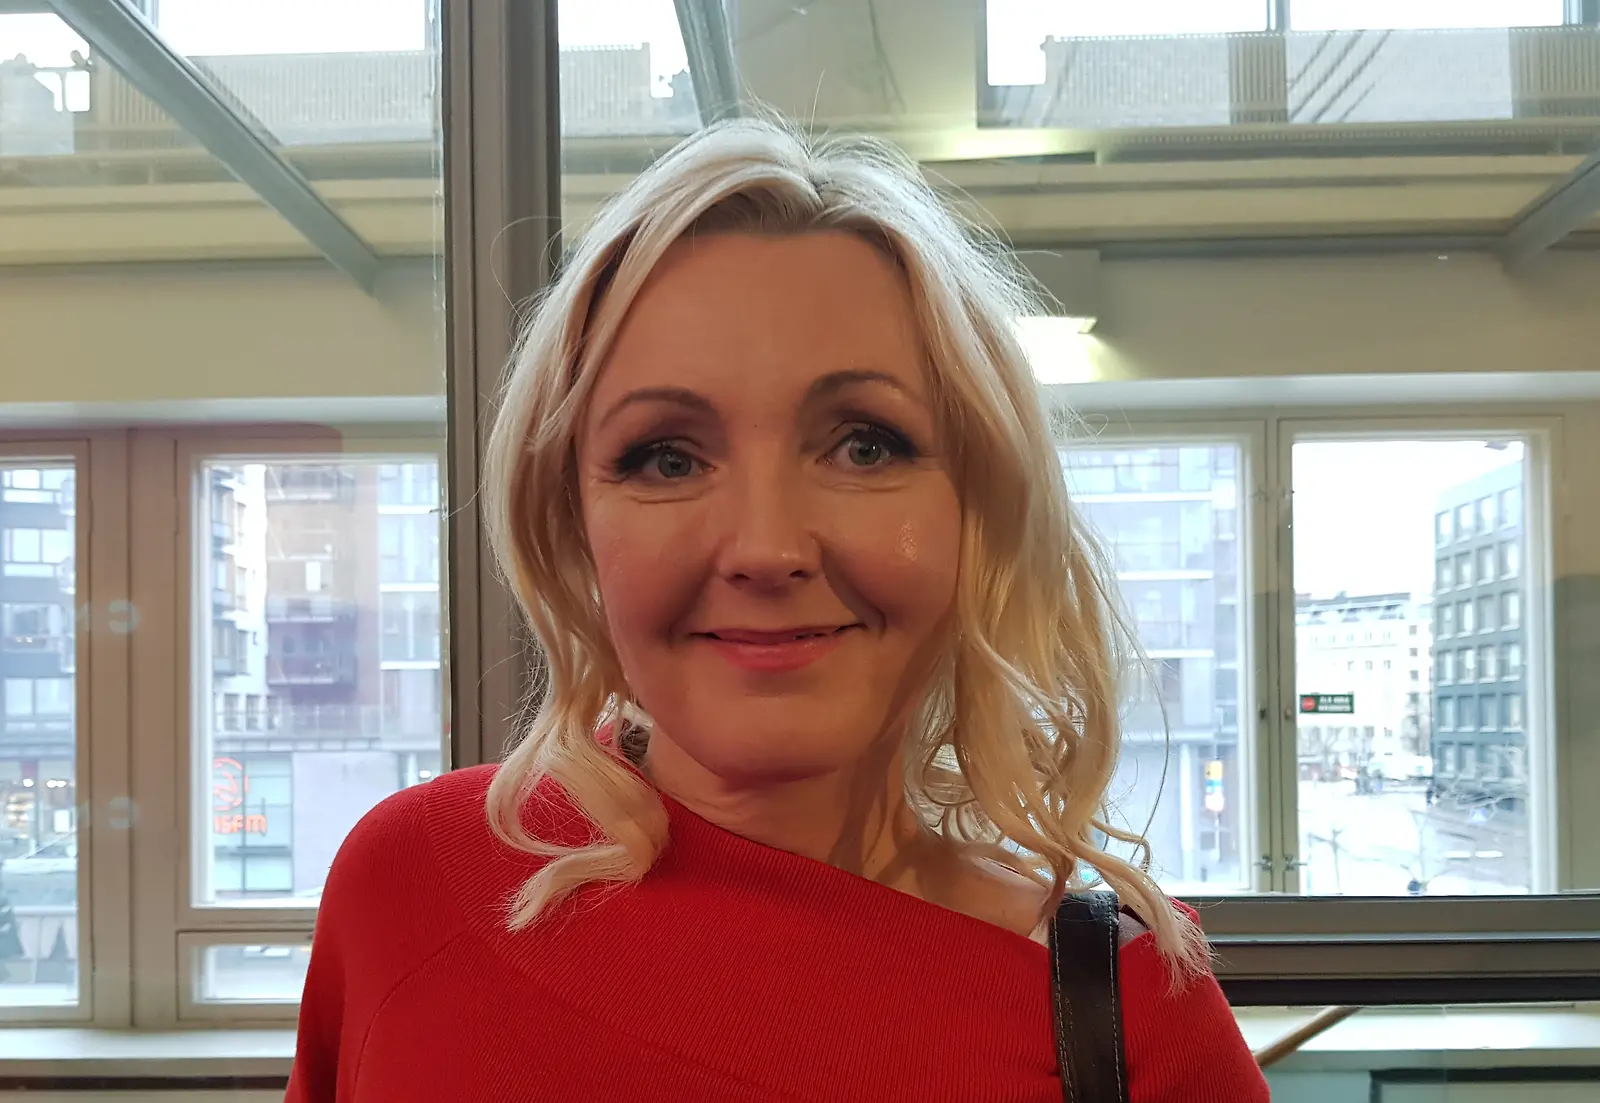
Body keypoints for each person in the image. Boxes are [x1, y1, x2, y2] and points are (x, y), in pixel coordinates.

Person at [286, 116, 1269, 1102]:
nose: (765, 547)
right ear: (571, 519)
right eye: (666, 458)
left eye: (865, 446)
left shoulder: (1128, 1017)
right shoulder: (413, 883)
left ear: (979, 506)